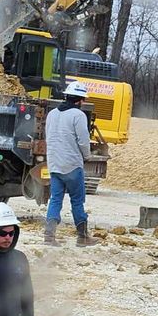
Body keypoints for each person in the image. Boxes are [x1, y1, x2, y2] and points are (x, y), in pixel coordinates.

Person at [43, 79, 97, 246]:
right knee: (77, 200)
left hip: (54, 164)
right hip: (72, 164)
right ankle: (82, 237)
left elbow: (48, 137)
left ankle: (49, 236)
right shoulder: (78, 115)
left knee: (55, 199)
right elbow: (83, 141)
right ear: (80, 100)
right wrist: (86, 155)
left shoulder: (52, 114)